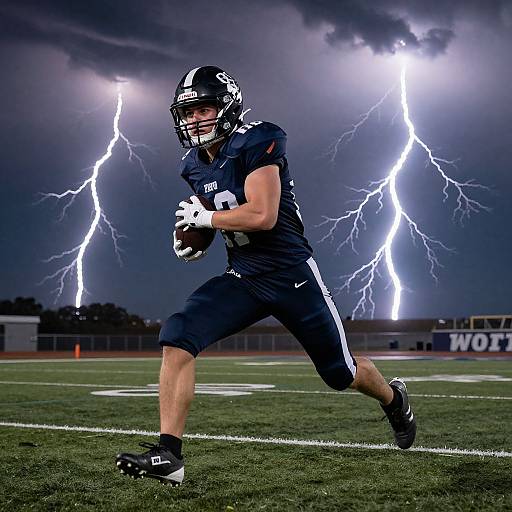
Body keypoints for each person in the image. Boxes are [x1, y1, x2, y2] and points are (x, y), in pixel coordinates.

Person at [115, 66, 416, 486]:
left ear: (227, 107)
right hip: (244, 277)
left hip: (291, 274)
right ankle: (170, 455)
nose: (195, 120)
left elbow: (262, 215)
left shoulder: (257, 140)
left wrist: (207, 216)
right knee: (177, 335)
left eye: (204, 109)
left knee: (340, 374)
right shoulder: (192, 164)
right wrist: (194, 237)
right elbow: (213, 221)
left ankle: (393, 398)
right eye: (188, 112)